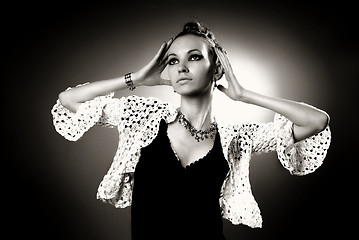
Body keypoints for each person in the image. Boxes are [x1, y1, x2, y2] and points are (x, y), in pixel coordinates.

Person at [51, 21, 331, 240]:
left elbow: (316, 121)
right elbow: (70, 99)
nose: (181, 67)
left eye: (194, 57)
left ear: (217, 69)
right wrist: (136, 78)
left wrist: (244, 94)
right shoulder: (145, 118)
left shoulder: (236, 138)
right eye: (173, 60)